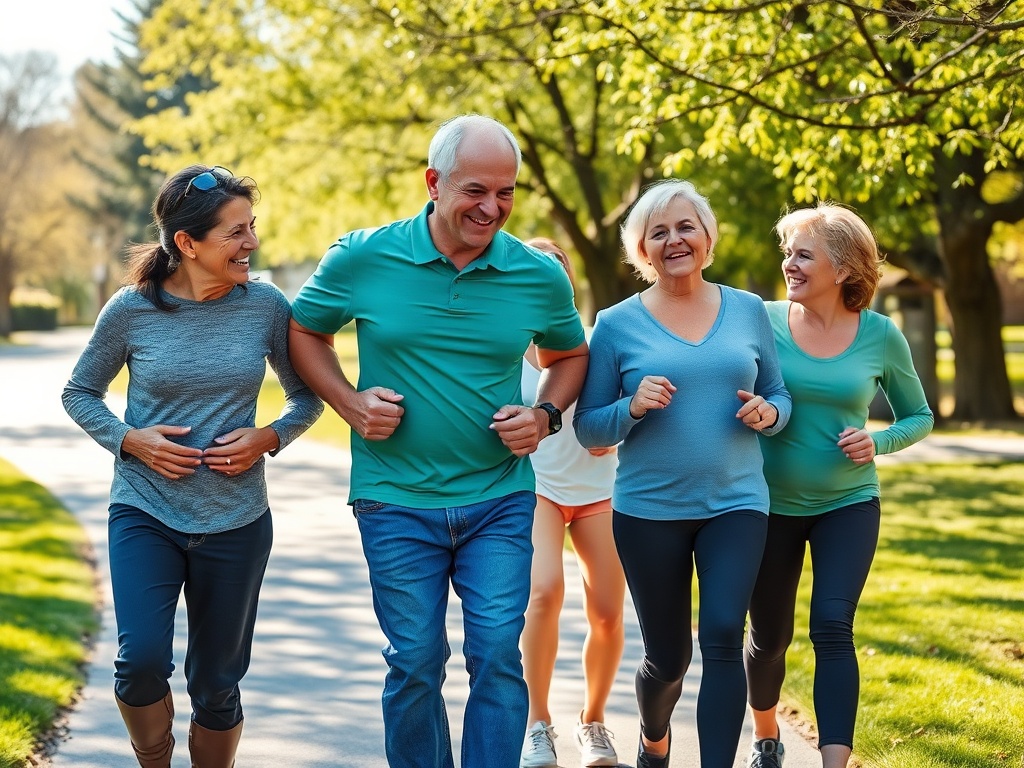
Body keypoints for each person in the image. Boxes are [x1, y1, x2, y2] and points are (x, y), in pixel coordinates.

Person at [287, 114, 590, 768]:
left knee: (496, 657)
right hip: (394, 498)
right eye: (475, 191)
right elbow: (304, 331)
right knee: (417, 662)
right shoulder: (364, 257)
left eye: (505, 193)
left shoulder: (539, 276)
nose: (492, 208)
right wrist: (348, 402)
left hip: (499, 498)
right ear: (433, 182)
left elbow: (570, 354)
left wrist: (544, 417)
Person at [62, 165, 323, 768]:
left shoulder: (265, 306)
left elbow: (306, 395)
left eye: (250, 228)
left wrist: (269, 437)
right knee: (141, 662)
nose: (251, 244)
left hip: (237, 520)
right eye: (235, 233)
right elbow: (79, 392)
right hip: (145, 511)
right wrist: (132, 442)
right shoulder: (131, 310)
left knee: (216, 684)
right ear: (187, 244)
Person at [574, 179, 792, 768]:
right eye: (659, 232)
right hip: (649, 512)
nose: (675, 240)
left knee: (722, 635)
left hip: (737, 502)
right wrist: (630, 407)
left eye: (685, 227)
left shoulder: (747, 309)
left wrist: (769, 413)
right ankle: (654, 740)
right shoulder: (616, 324)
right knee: (667, 657)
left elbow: (777, 393)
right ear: (642, 249)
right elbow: (590, 429)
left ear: (707, 237)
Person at [743, 203, 934, 768]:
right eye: (788, 253)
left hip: (849, 503)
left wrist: (878, 442)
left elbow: (918, 415)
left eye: (803, 254)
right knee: (770, 636)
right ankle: (767, 735)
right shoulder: (763, 321)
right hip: (769, 505)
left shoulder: (881, 336)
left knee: (832, 625)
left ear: (845, 269)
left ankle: (833, 762)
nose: (789, 264)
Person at [518, 237, 624, 768]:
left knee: (606, 610)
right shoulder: (506, 350)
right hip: (537, 488)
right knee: (543, 592)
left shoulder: (592, 345)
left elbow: (624, 410)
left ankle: (594, 722)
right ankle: (537, 723)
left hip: (599, 490)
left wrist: (616, 432)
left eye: (556, 276)